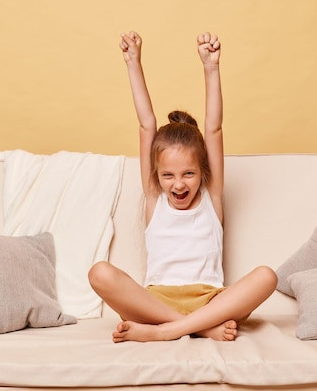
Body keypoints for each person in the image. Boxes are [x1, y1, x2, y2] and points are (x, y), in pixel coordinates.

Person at [88, 31, 277, 343]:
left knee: (267, 277)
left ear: (203, 172)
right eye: (168, 176)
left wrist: (211, 67)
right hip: (153, 304)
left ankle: (167, 332)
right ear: (157, 174)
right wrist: (133, 62)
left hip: (211, 303)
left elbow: (213, 128)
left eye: (189, 174)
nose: (177, 184)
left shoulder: (211, 197)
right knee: (99, 273)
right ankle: (194, 328)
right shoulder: (154, 197)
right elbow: (146, 123)